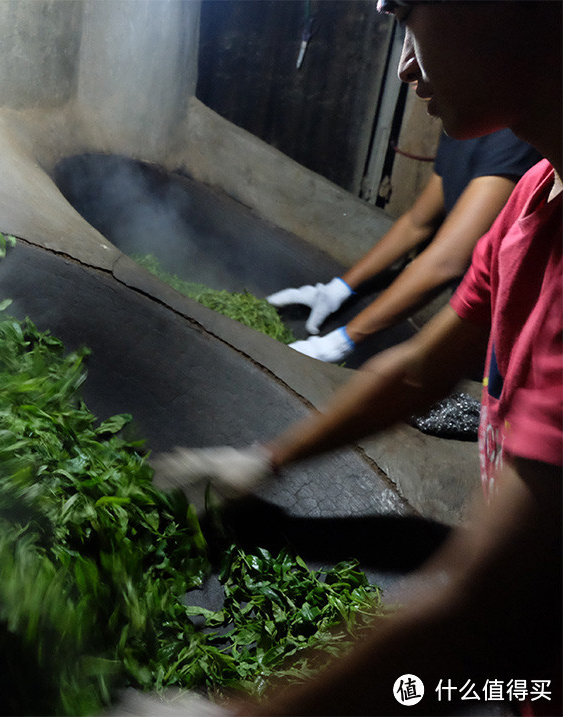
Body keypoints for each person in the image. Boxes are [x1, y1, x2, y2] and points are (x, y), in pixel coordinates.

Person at [153, 1, 561, 714]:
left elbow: (484, 605)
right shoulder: (535, 195)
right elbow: (415, 370)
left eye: (408, 12)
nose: (405, 61)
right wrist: (263, 459)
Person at [267, 130, 541, 363]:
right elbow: (417, 223)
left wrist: (337, 343)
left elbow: (445, 262)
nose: (408, 74)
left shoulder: (514, 142)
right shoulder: (462, 128)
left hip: (510, 341)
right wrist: (336, 289)